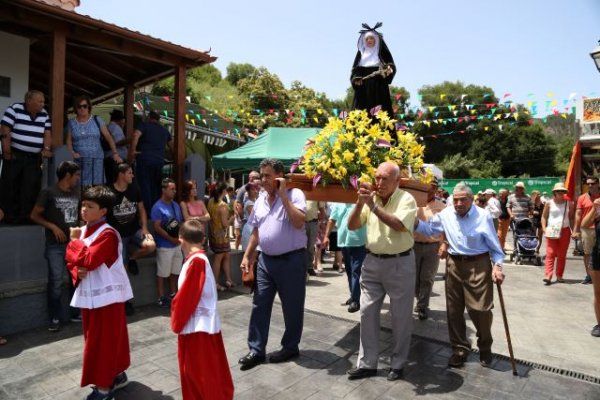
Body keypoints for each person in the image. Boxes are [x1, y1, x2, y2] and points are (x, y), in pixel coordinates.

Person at [415, 182, 505, 369]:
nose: (458, 204)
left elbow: (496, 249)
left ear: (471, 200)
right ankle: (459, 349)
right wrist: (410, 220)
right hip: (454, 264)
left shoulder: (483, 216)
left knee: (481, 310)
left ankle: (485, 347)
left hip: (478, 265)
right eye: (455, 200)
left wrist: (497, 267)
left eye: (463, 200)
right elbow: (429, 230)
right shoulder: (446, 214)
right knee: (454, 311)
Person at [346, 161, 416, 381]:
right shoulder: (371, 198)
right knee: (366, 313)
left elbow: (398, 225)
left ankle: (398, 363)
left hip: (399, 263)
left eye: (385, 178)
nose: (379, 182)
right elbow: (352, 225)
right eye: (377, 177)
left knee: (401, 317)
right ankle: (367, 363)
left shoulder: (407, 199)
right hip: (372, 262)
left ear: (397, 180)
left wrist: (373, 207)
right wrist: (360, 203)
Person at [238, 158, 307, 371]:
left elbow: (299, 221)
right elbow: (256, 231)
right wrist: (247, 256)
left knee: (292, 306)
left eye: (267, 176)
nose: (262, 180)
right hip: (265, 261)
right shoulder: (260, 200)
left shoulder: (295, 195)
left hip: (292, 260)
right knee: (260, 304)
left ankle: (290, 346)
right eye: (261, 175)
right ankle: (256, 350)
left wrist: (283, 195)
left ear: (279, 176)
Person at [66, 186, 133, 400]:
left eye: (90, 206)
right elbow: (73, 261)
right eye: (83, 205)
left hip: (108, 298)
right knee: (97, 340)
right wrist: (77, 270)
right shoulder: (84, 230)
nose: (84, 210)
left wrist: (75, 243)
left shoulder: (108, 233)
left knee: (104, 342)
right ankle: (117, 374)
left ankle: (104, 388)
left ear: (103, 211)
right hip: (91, 295)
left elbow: (90, 259)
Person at [171, 220, 234, 399]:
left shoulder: (196, 262)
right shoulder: (198, 259)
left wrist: (176, 321)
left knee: (200, 374)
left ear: (181, 240)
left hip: (198, 330)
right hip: (202, 326)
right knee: (205, 372)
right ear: (202, 239)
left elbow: (186, 298)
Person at [30, 161, 81, 332]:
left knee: (76, 278)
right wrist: (52, 226)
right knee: (56, 281)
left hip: (73, 244)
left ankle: (75, 312)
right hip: (55, 246)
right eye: (77, 175)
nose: (78, 179)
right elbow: (34, 215)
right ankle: (55, 318)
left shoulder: (76, 193)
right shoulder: (48, 192)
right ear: (68, 175)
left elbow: (79, 217)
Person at [108, 162, 156, 315]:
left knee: (150, 245)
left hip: (134, 230)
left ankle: (132, 258)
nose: (132, 175)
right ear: (121, 174)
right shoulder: (108, 192)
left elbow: (141, 209)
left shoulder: (134, 189)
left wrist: (145, 228)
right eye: (129, 173)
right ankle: (125, 300)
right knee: (121, 269)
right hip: (118, 236)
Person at [0, 90, 53, 224]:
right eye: (40, 101)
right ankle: (9, 217)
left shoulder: (44, 114)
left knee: (30, 186)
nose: (43, 104)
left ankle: (26, 217)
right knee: (11, 185)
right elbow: (5, 128)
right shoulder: (15, 109)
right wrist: (6, 149)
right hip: (15, 154)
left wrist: (46, 149)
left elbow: (47, 133)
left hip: (34, 157)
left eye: (43, 101)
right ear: (29, 101)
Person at [66, 95, 122, 186]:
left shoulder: (97, 119)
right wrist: (72, 152)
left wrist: (115, 153)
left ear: (89, 107)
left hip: (97, 161)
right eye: (79, 106)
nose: (82, 109)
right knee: (79, 188)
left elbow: (108, 137)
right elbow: (68, 141)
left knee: (96, 188)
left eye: (84, 106)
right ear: (76, 108)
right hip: (79, 161)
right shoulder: (71, 123)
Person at [323, 202, 367, 313]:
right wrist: (326, 236)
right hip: (343, 241)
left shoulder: (360, 202)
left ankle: (356, 300)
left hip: (359, 241)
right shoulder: (339, 202)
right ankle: (353, 295)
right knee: (349, 270)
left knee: (356, 271)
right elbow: (332, 220)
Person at [413, 180, 445, 320]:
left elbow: (445, 228)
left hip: (433, 247)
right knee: (413, 278)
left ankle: (422, 306)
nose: (429, 190)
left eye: (432, 187)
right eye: (427, 187)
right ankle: (419, 298)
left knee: (427, 278)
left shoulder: (442, 207)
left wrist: (444, 244)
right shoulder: (413, 203)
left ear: (436, 189)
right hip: (413, 245)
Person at [130, 111, 173, 214]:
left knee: (144, 185)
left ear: (149, 117)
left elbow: (136, 134)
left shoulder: (143, 125)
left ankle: (146, 211)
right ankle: (156, 210)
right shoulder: (164, 130)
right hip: (159, 161)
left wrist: (132, 150)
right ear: (158, 119)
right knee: (156, 186)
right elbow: (172, 146)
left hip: (144, 159)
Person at [350, 22, 396, 118]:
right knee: (362, 114)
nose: (369, 40)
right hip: (363, 90)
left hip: (379, 88)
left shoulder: (382, 54)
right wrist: (356, 79)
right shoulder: (361, 55)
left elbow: (390, 66)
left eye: (371, 38)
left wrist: (389, 69)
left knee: (380, 113)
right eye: (366, 39)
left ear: (376, 40)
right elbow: (355, 71)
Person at [151, 178, 184, 308]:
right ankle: (160, 297)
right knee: (162, 273)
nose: (174, 191)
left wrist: (179, 238)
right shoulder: (157, 206)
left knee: (175, 271)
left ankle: (173, 293)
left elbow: (179, 222)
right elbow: (157, 227)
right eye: (171, 189)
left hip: (177, 244)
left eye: (175, 189)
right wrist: (170, 239)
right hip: (165, 245)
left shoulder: (175, 205)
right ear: (164, 190)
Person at [541, 183, 575, 285]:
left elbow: (571, 218)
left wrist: (573, 230)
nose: (560, 193)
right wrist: (544, 228)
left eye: (562, 191)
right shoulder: (549, 203)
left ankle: (559, 275)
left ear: (565, 192)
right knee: (550, 253)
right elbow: (544, 217)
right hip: (551, 230)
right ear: (554, 192)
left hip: (564, 230)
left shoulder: (569, 203)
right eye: (558, 191)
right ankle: (548, 275)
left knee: (562, 254)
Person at [207, 182, 235, 291]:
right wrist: (231, 219)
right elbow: (225, 224)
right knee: (218, 259)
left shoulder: (210, 202)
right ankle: (215, 283)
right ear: (223, 191)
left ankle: (228, 279)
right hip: (221, 236)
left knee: (226, 256)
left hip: (213, 235)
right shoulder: (223, 206)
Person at [572, 176, 600, 285]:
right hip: (586, 229)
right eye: (588, 184)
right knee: (587, 253)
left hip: (599, 228)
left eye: (592, 183)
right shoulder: (582, 198)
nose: (590, 186)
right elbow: (578, 215)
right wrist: (575, 230)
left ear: (598, 184)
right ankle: (589, 276)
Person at [580, 197, 600, 337]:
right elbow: (584, 224)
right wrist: (594, 208)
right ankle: (599, 324)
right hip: (598, 254)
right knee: (598, 293)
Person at [103, 109, 128, 185]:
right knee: (115, 183)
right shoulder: (115, 128)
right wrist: (130, 140)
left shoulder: (109, 127)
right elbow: (117, 143)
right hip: (115, 160)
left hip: (110, 159)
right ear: (120, 119)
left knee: (111, 181)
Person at [305, 200, 326, 277]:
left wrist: (323, 223)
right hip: (300, 223)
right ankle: (301, 267)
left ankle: (310, 267)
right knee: (300, 246)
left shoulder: (316, 193)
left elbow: (322, 209)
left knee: (310, 246)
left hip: (313, 223)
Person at [240, 182, 259, 251]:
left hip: (253, 228)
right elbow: (256, 217)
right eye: (253, 189)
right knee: (252, 253)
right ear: (248, 191)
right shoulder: (249, 203)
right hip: (250, 229)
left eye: (256, 189)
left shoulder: (255, 201)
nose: (255, 191)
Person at [530, 190, 544, 254]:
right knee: (533, 236)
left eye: (539, 194)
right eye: (538, 194)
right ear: (534, 195)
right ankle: (532, 249)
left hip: (540, 221)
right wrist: (533, 212)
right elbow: (528, 212)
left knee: (540, 236)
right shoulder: (531, 203)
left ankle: (537, 249)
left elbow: (545, 213)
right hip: (533, 220)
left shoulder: (542, 203)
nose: (539, 195)